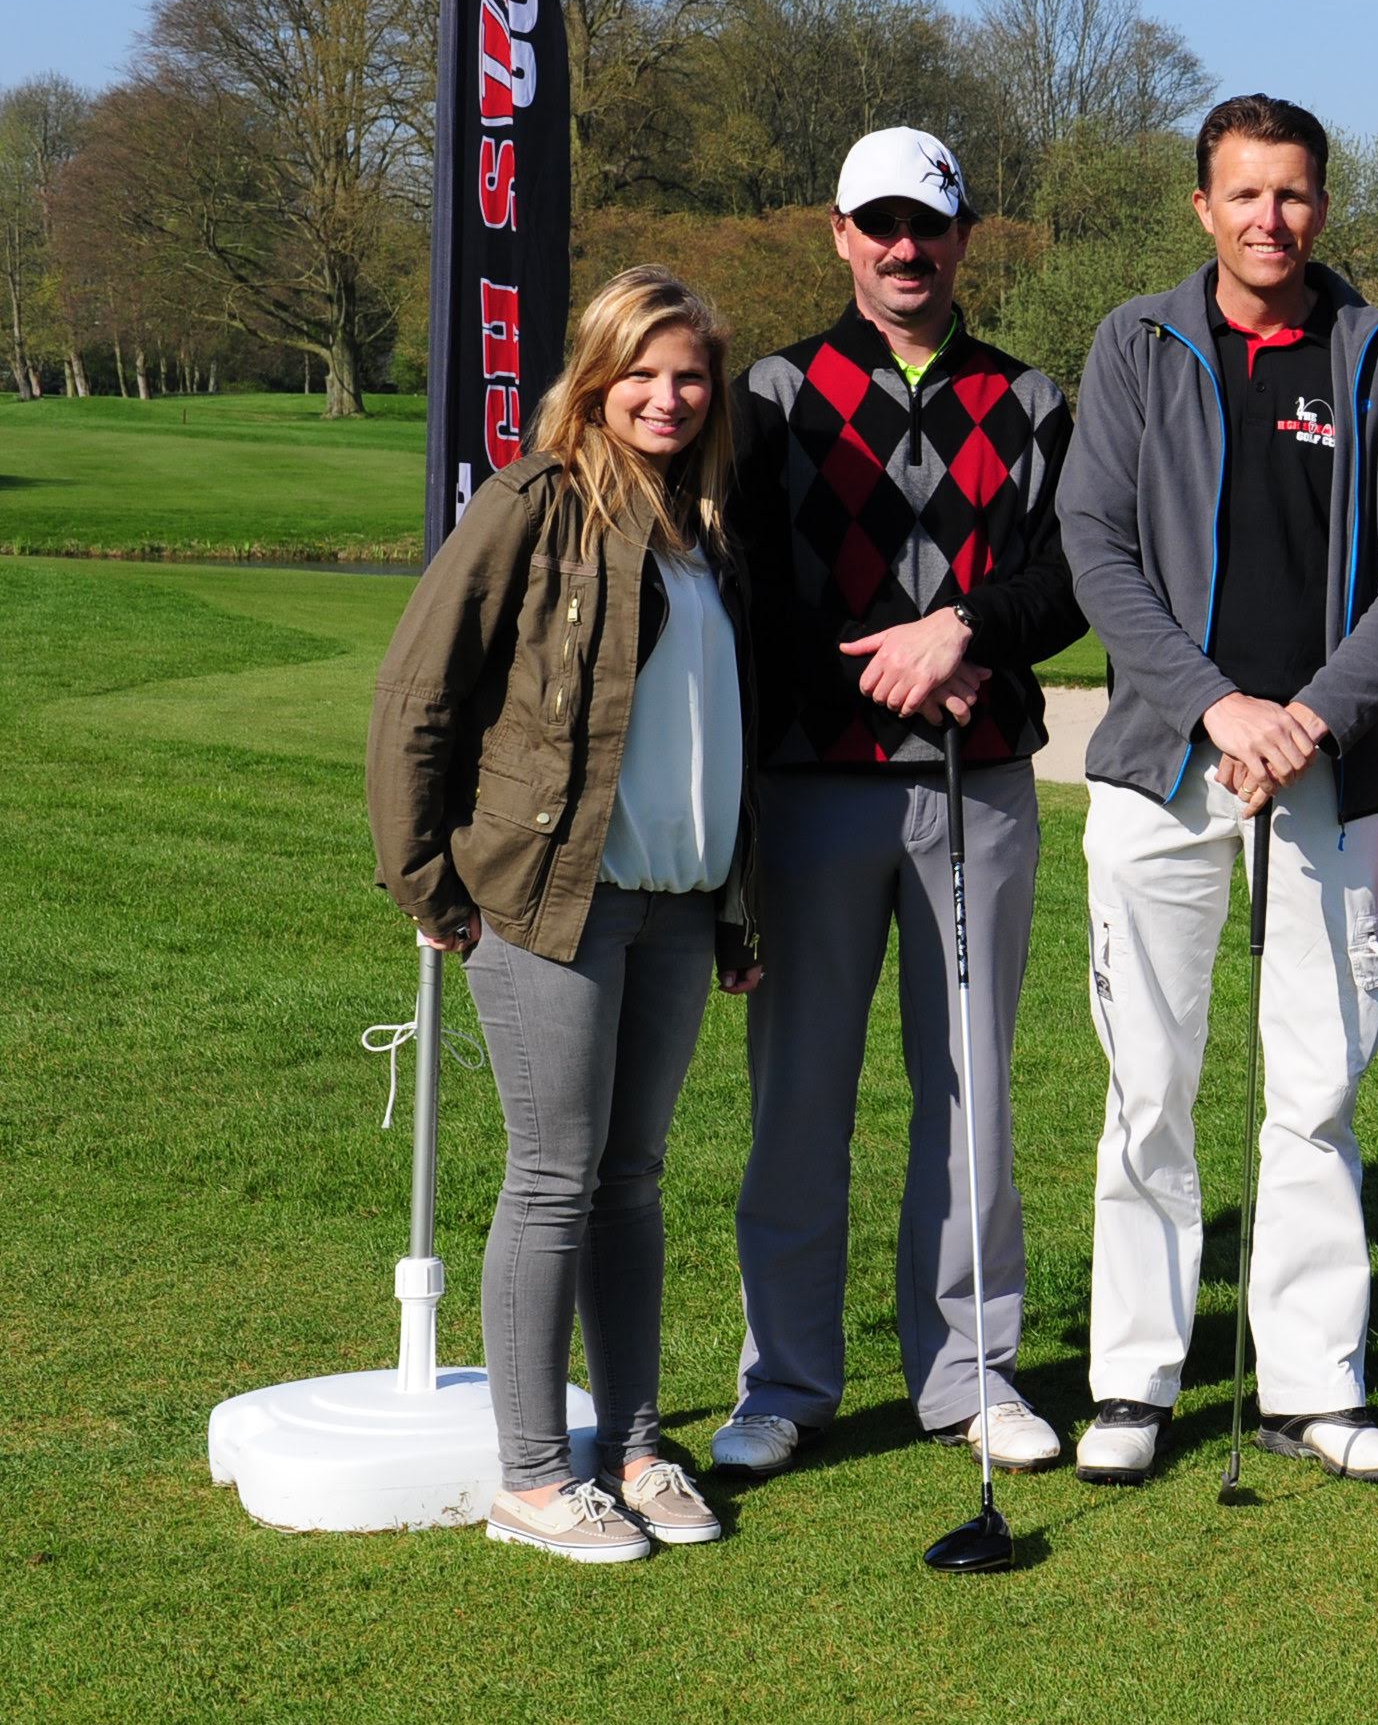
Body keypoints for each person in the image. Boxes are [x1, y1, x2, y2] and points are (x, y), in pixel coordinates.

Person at [1061, 94, 1378, 1484]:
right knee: (1148, 1090)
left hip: (1327, 772)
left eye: (1292, 194)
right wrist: (1215, 703)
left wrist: (1309, 715)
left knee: (1317, 1085)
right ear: (1203, 206)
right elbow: (1097, 545)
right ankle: (1134, 1381)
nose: (1269, 219)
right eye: (1244, 194)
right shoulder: (1135, 341)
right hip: (1163, 767)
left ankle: (1314, 1385)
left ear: (1323, 206)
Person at [368, 268, 762, 1562]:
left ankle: (636, 1449)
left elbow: (714, 732)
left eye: (689, 375)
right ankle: (533, 1479)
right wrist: (428, 879)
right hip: (554, 902)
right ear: (594, 378)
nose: (667, 395)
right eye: (641, 371)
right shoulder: (533, 504)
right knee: (553, 1178)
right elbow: (419, 691)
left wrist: (736, 912)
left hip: (677, 904)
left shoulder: (707, 529)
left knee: (632, 1181)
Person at [713, 127, 1087, 1476]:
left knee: (969, 1093)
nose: (904, 248)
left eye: (927, 224)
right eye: (879, 224)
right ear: (841, 235)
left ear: (964, 235)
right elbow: (747, 588)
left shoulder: (1030, 398)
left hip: (975, 785)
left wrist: (964, 635)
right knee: (799, 1096)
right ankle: (785, 1382)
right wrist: (885, 670)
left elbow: (1071, 577)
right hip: (813, 786)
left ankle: (971, 1373)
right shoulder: (769, 394)